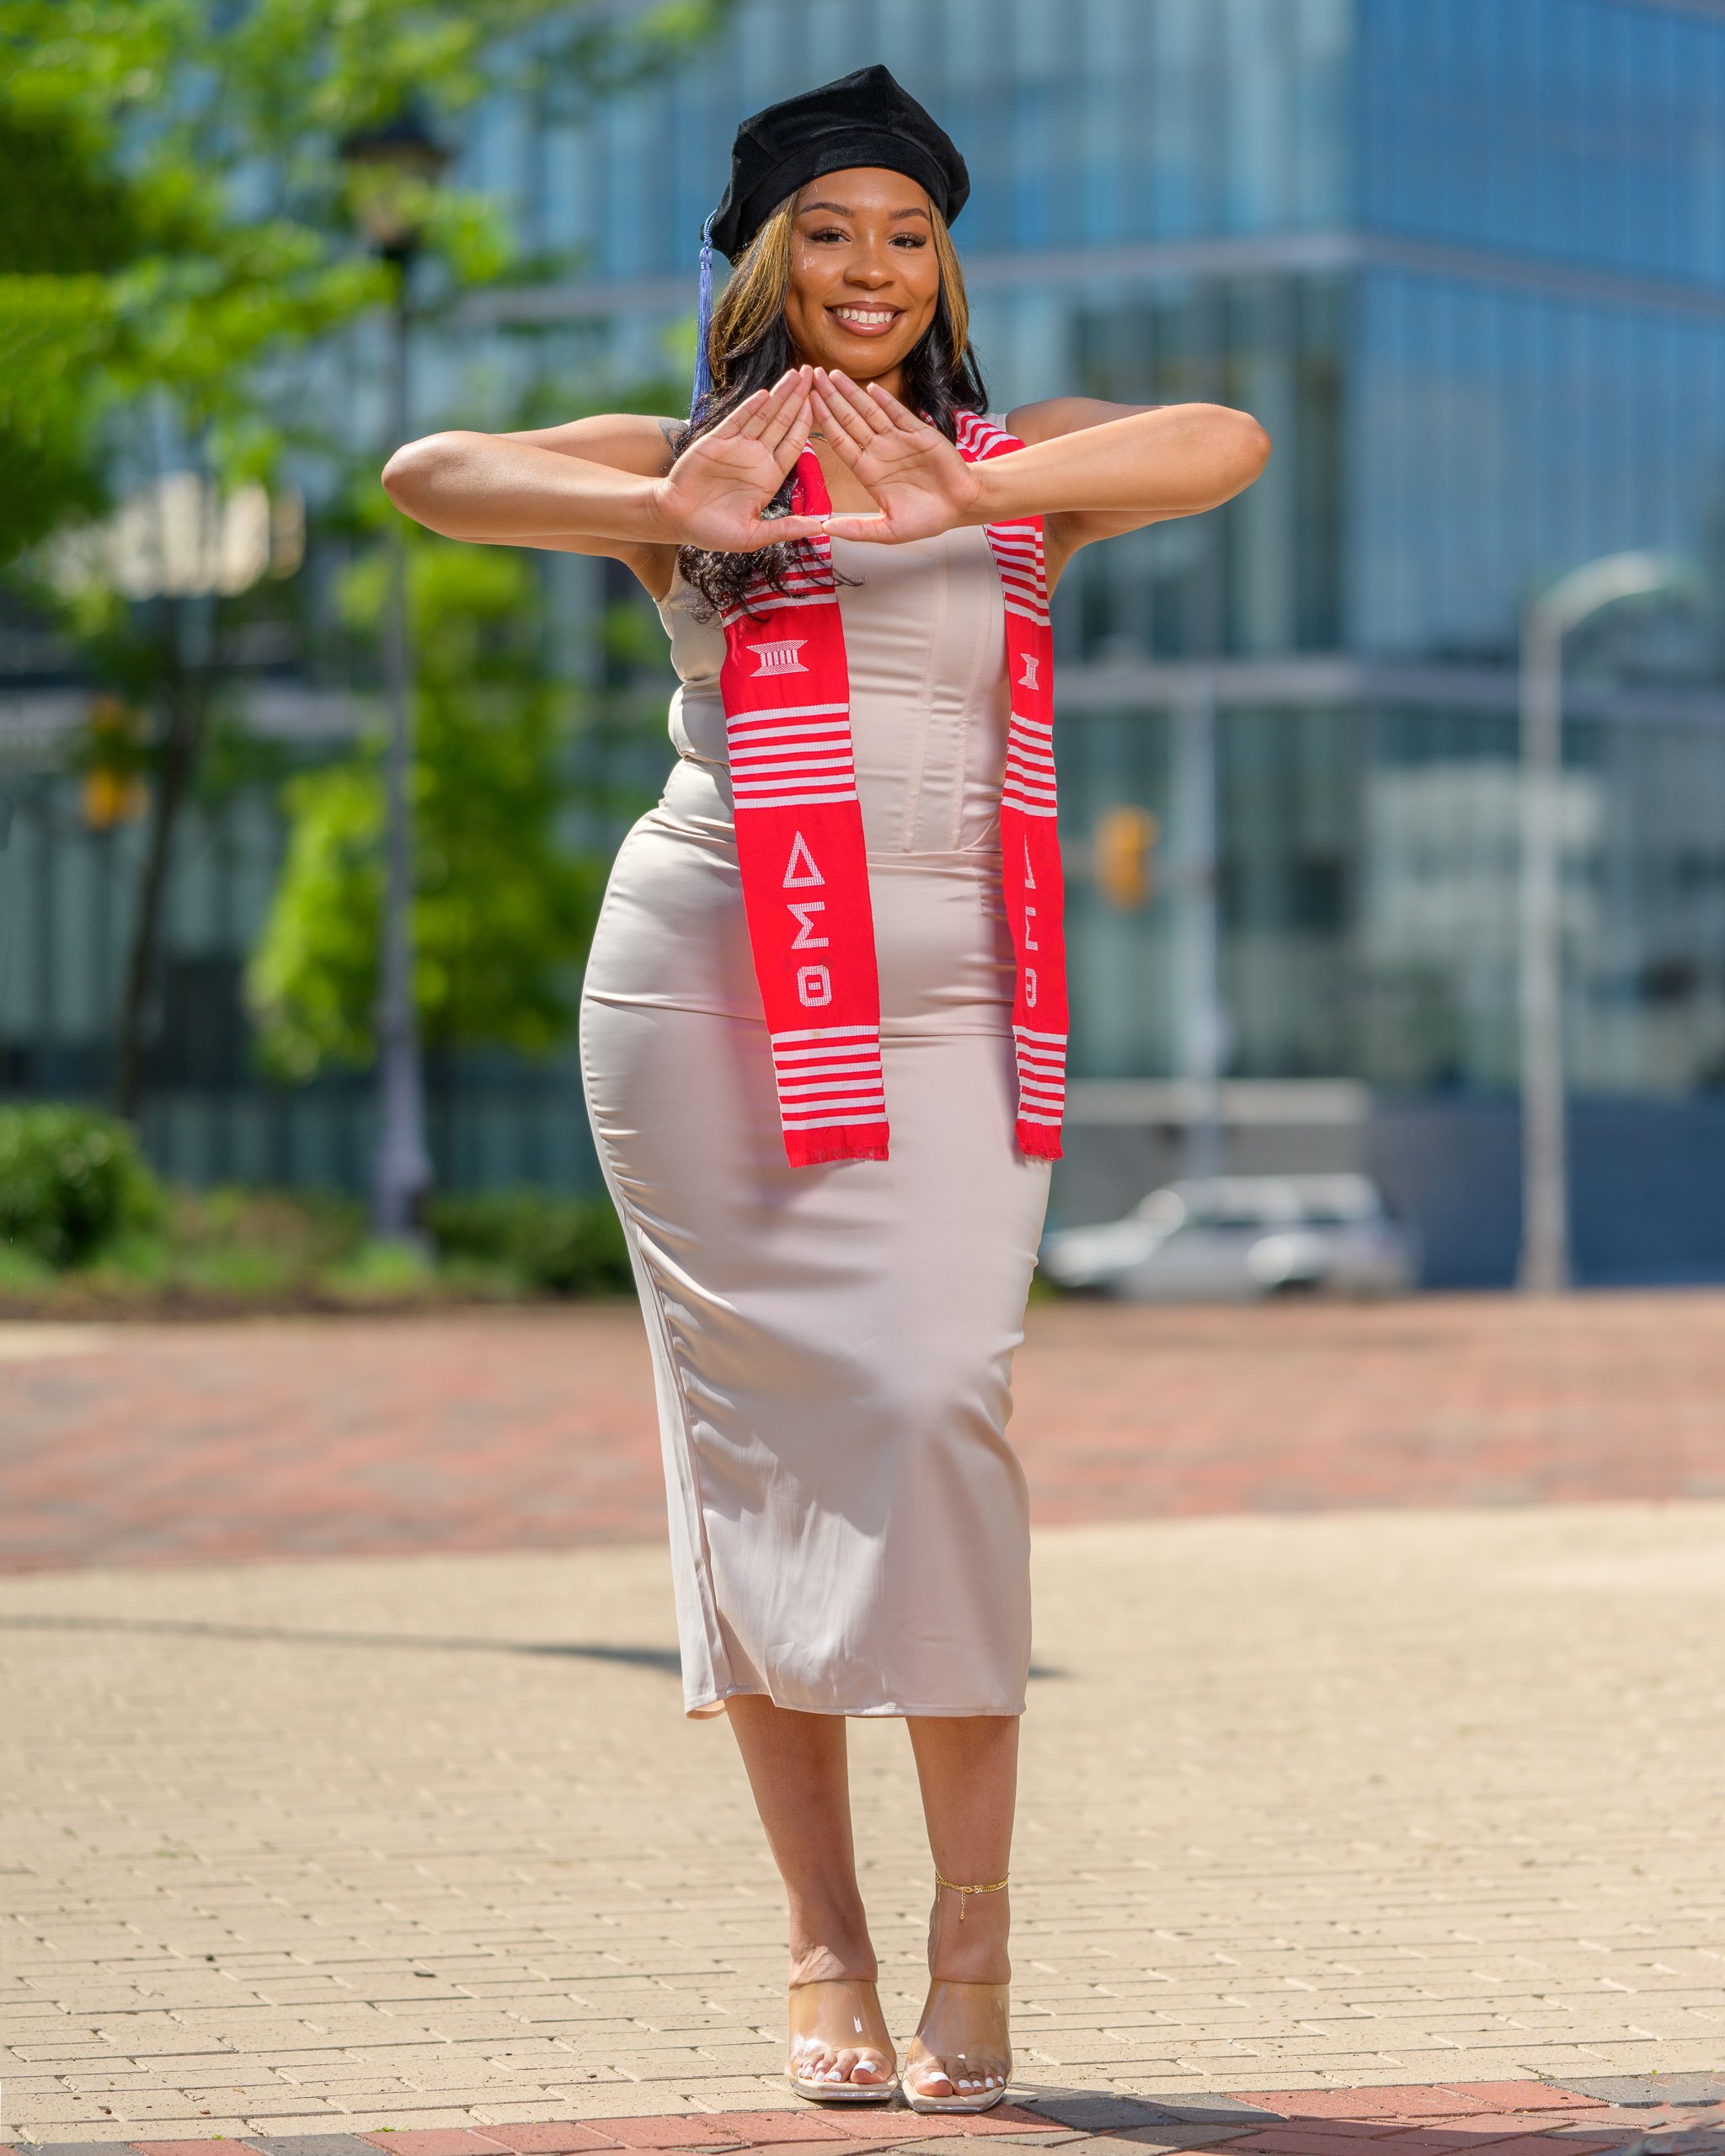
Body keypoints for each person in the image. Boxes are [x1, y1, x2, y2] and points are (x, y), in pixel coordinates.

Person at [383, 62, 1268, 2116]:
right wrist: (670, 511)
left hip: (960, 990)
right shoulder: (689, 454)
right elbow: (434, 466)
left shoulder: (1018, 453)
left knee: (935, 1396)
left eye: (907, 233)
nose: (868, 266)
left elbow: (1223, 437)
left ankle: (974, 1916)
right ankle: (827, 1941)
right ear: (763, 260)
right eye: (829, 230)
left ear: (941, 267)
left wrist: (969, 499)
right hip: (709, 983)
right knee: (761, 1444)